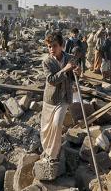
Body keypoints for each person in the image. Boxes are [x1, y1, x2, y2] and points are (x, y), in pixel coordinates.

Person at [41, 31, 81, 162]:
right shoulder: (47, 62)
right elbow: (51, 80)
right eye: (49, 46)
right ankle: (47, 148)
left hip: (64, 97)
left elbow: (75, 74)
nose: (51, 49)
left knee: (57, 124)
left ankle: (53, 154)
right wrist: (65, 69)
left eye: (54, 46)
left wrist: (77, 71)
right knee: (46, 128)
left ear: (61, 46)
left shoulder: (70, 58)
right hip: (51, 99)